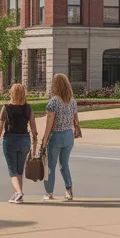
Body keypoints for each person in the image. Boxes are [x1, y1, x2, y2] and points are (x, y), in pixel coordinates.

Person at [0, 83, 39, 203]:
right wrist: (34, 145)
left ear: (12, 93)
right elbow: (34, 129)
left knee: (12, 171)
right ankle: (18, 196)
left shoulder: (6, 108)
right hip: (24, 140)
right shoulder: (28, 108)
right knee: (19, 170)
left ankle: (18, 192)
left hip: (10, 140)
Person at [41, 73, 81, 202]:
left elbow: (49, 124)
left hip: (56, 135)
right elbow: (76, 121)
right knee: (64, 164)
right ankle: (69, 190)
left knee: (51, 166)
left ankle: (49, 192)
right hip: (69, 135)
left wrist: (44, 140)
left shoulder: (53, 102)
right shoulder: (72, 101)